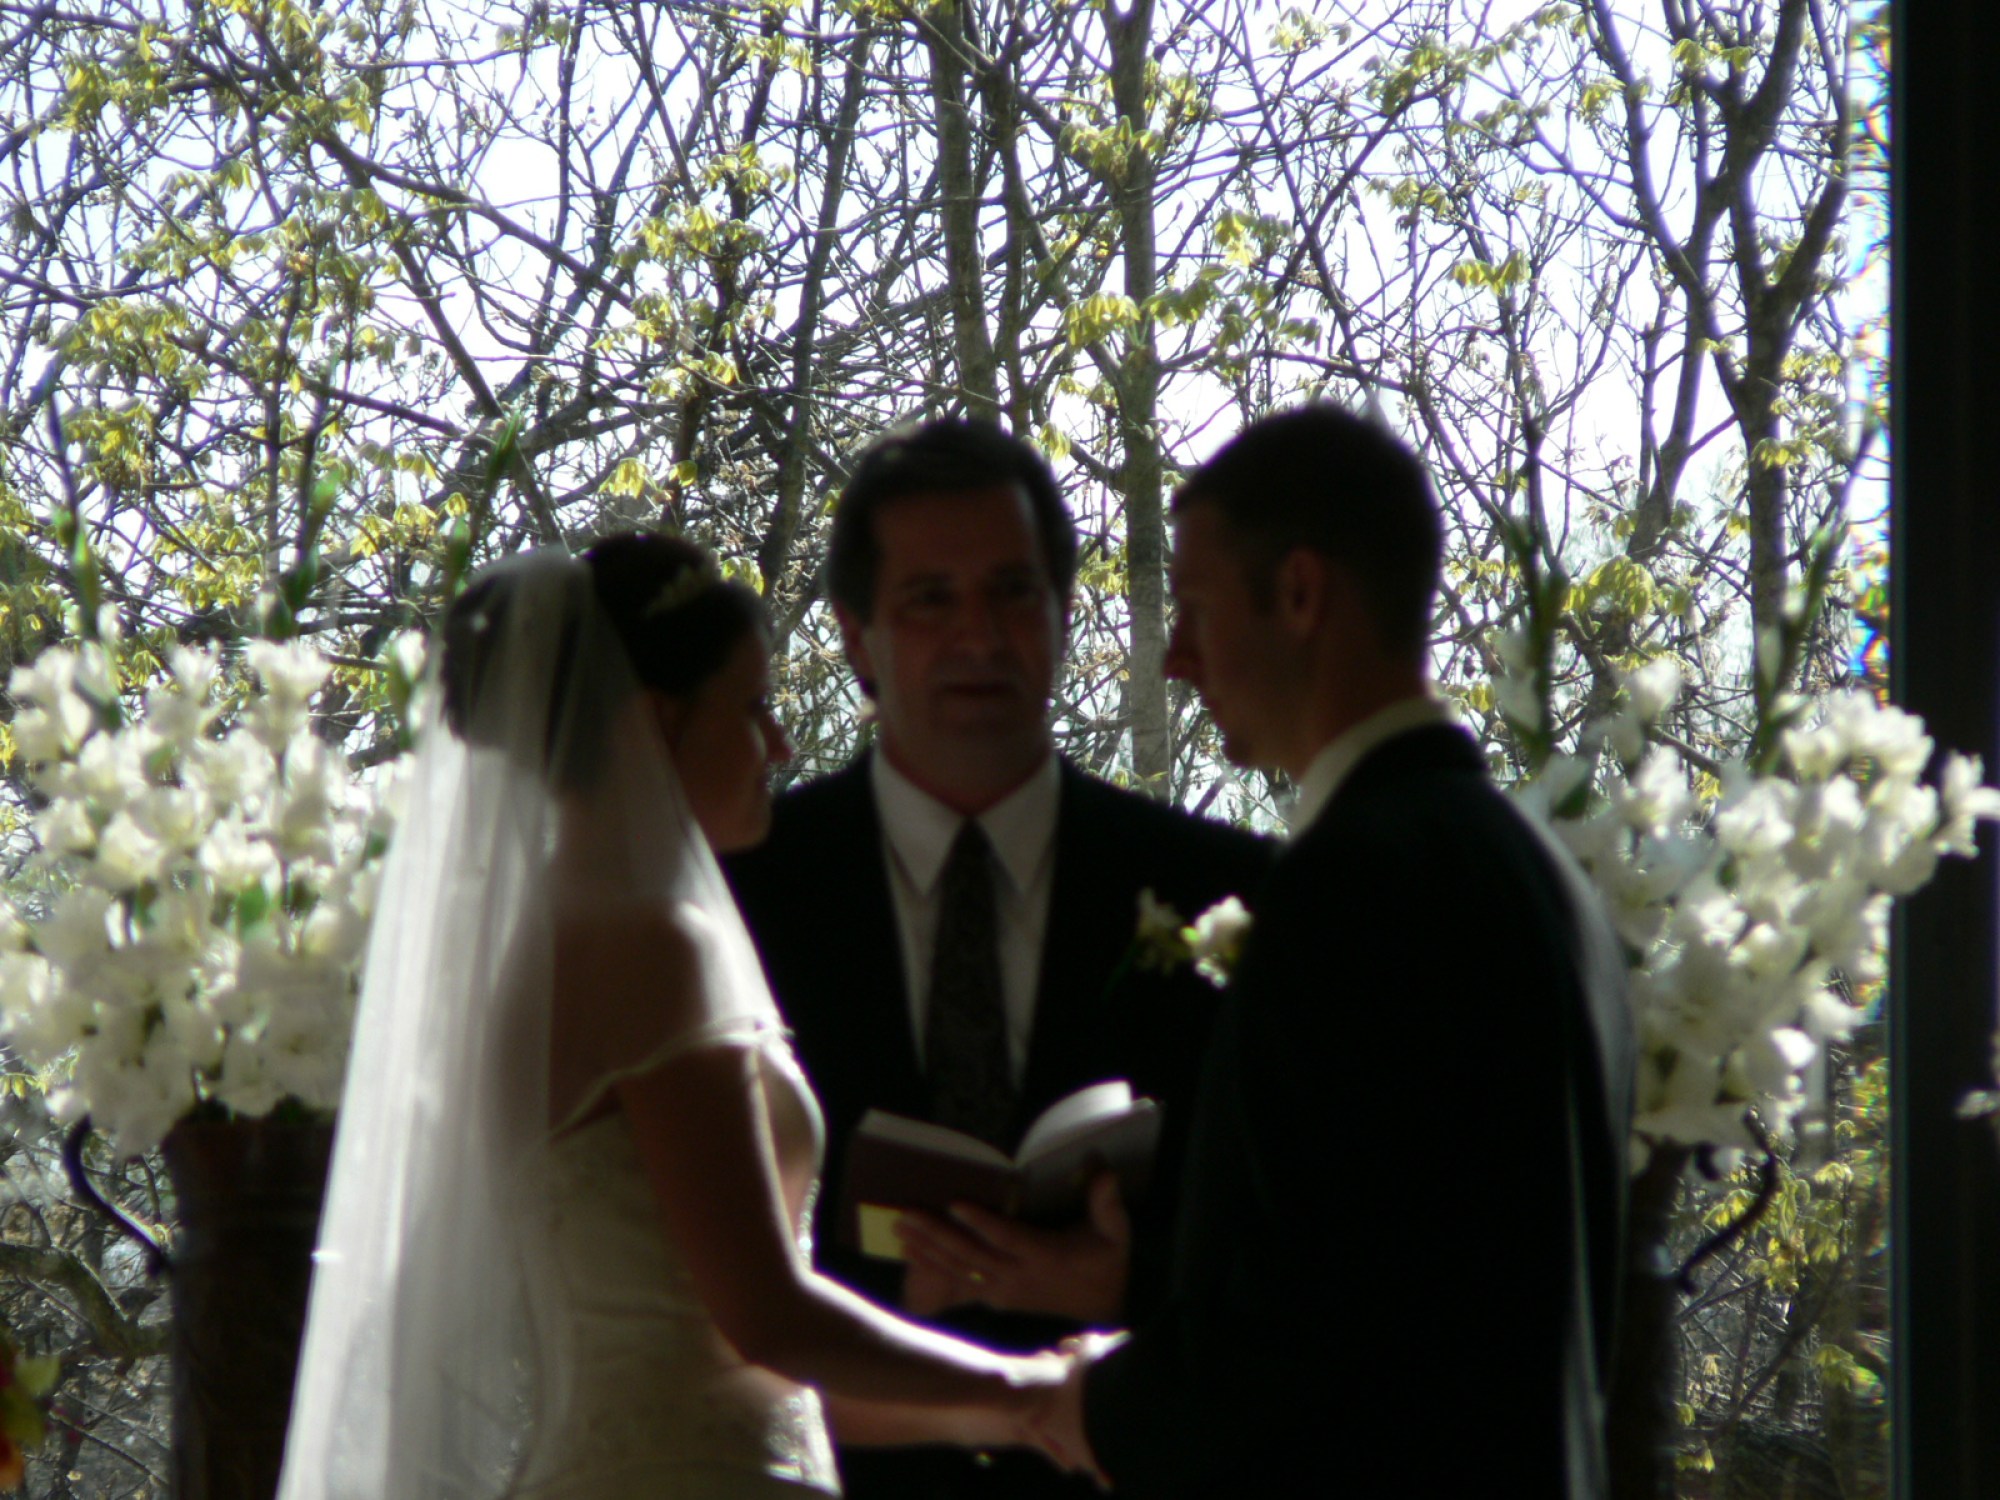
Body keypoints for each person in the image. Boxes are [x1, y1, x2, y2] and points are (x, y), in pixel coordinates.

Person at [276, 534, 1078, 1500]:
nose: (779, 747)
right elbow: (767, 1317)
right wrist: (1033, 1383)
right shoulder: (653, 945)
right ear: (655, 722)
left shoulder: (543, 951)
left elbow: (754, 1371)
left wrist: (1025, 1415)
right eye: (753, 707)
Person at [1042, 405, 1635, 1496]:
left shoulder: (1347, 889)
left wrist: (1085, 1405)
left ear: (1300, 593)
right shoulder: (1550, 885)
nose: (1175, 657)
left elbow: (1295, 1343)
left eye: (1195, 608)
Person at [726, 419, 1269, 1500]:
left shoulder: (1228, 890)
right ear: (855, 637)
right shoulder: (741, 893)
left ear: (1063, 617)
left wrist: (1127, 1281)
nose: (978, 633)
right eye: (930, 599)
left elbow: (1299, 1251)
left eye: (1013, 592)